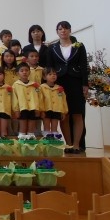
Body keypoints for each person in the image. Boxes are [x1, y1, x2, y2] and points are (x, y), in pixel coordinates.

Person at [45, 20, 89, 153]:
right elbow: (49, 67)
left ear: (70, 30)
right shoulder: (52, 48)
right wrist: (50, 84)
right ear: (57, 32)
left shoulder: (79, 46)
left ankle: (76, 145)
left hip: (76, 82)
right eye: (60, 29)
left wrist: (85, 84)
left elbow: (84, 66)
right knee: (64, 114)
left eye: (65, 28)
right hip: (59, 83)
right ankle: (68, 144)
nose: (63, 31)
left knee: (77, 114)